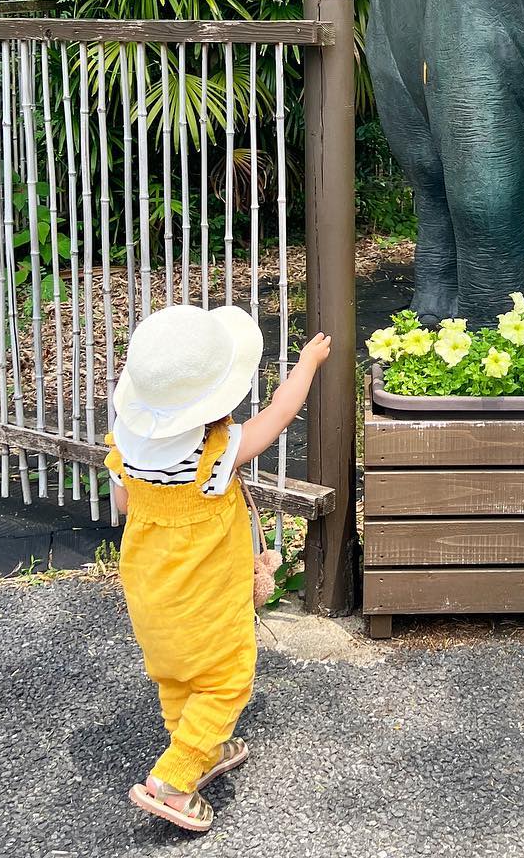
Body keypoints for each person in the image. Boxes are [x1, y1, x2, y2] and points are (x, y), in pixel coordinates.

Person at [107, 304, 332, 834]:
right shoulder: (217, 449)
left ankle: (198, 745)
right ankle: (176, 778)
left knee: (176, 672)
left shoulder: (124, 441)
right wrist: (307, 364)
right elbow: (277, 416)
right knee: (226, 678)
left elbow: (122, 505)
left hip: (149, 583)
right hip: (206, 589)